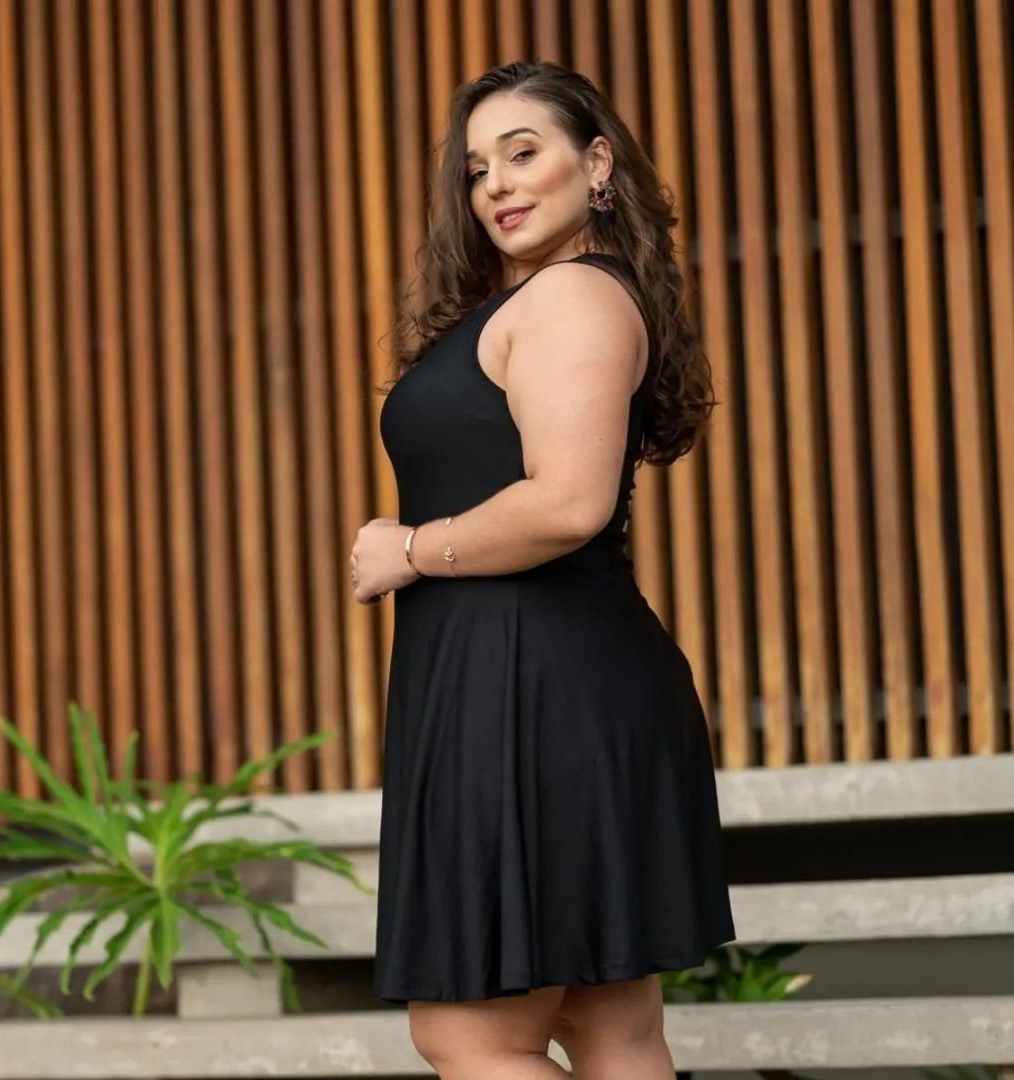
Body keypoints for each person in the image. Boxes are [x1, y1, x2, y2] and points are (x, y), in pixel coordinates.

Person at [350, 60, 735, 1079]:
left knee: (469, 1037)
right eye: (478, 169)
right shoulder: (550, 300)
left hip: (535, 694)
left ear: (597, 163)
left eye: (523, 154)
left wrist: (409, 551)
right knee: (612, 1030)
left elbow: (568, 502)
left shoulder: (571, 297)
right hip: (542, 683)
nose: (497, 186)